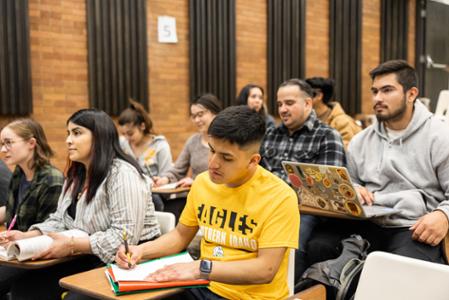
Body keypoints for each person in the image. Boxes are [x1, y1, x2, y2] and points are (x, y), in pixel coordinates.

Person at [116, 106, 299, 300]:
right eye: (212, 151)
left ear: (253, 161)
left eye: (226, 158)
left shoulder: (280, 197)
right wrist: (140, 250)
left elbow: (265, 270)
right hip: (204, 287)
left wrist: (199, 268)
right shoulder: (203, 183)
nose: (212, 163)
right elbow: (180, 235)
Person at [306, 60, 449, 278]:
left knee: (402, 270)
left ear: (411, 94)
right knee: (318, 245)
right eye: (374, 91)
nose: (377, 98)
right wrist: (354, 190)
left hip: (413, 225)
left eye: (387, 90)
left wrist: (443, 215)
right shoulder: (360, 141)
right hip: (367, 221)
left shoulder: (440, 136)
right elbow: (352, 182)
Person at [1, 109, 160, 300]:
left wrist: (72, 244)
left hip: (129, 259)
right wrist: (28, 235)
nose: (68, 140)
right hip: (88, 254)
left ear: (99, 136)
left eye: (77, 133)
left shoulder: (122, 174)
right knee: (26, 289)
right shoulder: (77, 175)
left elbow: (125, 236)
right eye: (68, 133)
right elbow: (60, 220)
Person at [260, 78, 346, 282]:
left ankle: (286, 290)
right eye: (279, 104)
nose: (282, 109)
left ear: (308, 103)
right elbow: (258, 175)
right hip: (264, 204)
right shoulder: (271, 134)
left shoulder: (327, 136)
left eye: (289, 103)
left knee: (290, 242)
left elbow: (327, 194)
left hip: (304, 211)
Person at [0, 119, 63, 231]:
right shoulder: (19, 173)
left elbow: (48, 232)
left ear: (31, 143)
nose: (3, 149)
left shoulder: (52, 180)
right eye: (2, 144)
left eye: (8, 142)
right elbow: (13, 210)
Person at [154, 93, 222, 188]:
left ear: (215, 113)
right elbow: (178, 169)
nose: (197, 120)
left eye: (200, 114)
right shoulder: (193, 141)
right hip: (195, 194)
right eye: (194, 116)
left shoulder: (225, 141)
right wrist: (165, 179)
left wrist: (196, 182)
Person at [118, 99, 173, 211]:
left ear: (142, 126)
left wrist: (160, 180)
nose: (127, 138)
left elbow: (166, 175)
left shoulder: (160, 146)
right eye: (124, 134)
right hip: (129, 193)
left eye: (130, 134)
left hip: (154, 195)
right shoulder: (123, 144)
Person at [306, 77, 361, 148]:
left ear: (318, 95)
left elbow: (345, 152)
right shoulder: (305, 119)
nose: (300, 98)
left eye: (305, 94)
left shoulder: (343, 122)